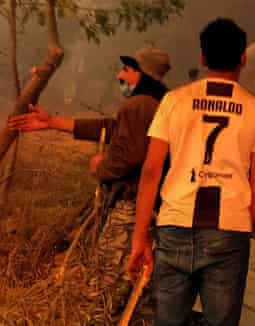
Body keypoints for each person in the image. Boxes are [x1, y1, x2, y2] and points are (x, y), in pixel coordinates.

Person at [127, 19, 255, 326]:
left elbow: (151, 170)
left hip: (174, 224)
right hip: (229, 231)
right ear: (243, 57)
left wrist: (140, 237)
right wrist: (243, 232)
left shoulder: (173, 101)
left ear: (202, 58)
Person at [9, 47, 170, 321]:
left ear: (143, 75)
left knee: (108, 287)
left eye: (127, 71)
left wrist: (102, 166)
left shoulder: (137, 105)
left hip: (130, 211)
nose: (120, 75)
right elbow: (111, 127)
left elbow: (128, 157)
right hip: (150, 210)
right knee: (135, 290)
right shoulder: (157, 105)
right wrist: (53, 122)